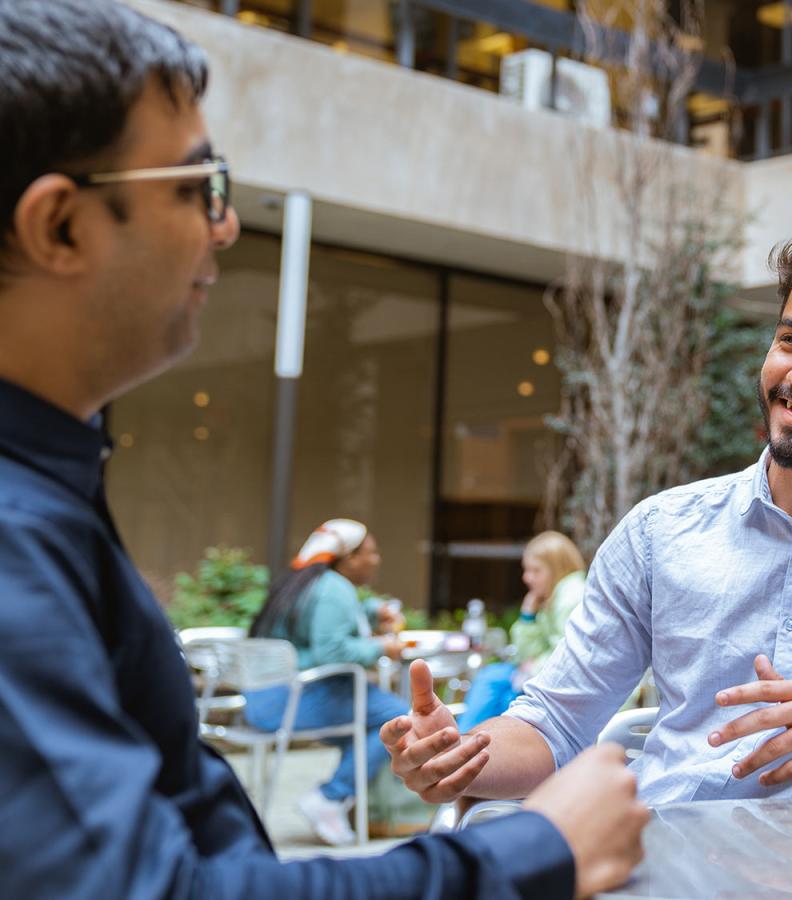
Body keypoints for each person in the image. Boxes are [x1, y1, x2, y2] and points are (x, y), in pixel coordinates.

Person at [0, 1, 645, 895]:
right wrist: (538, 848)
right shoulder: (15, 528)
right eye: (200, 186)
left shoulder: (51, 479)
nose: (224, 226)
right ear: (59, 226)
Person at [385, 232, 792, 809]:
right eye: (791, 340)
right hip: (664, 863)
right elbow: (556, 722)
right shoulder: (659, 531)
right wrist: (458, 754)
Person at [245, 518, 411, 845]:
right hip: (289, 703)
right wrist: (384, 646)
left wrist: (374, 610)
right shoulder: (334, 589)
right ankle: (330, 798)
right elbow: (331, 651)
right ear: (348, 558)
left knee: (370, 728)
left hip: (261, 699)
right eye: (370, 553)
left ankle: (348, 806)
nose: (376, 560)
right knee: (397, 719)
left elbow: (330, 620)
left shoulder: (305, 582)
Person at [459, 531, 588, 731]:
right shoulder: (555, 597)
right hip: (551, 681)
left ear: (558, 569)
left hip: (573, 692)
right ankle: (469, 747)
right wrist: (528, 615)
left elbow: (568, 657)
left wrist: (531, 668)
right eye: (526, 570)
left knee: (497, 685)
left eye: (536, 571)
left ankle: (463, 745)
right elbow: (528, 652)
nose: (526, 578)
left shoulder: (570, 598)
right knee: (497, 680)